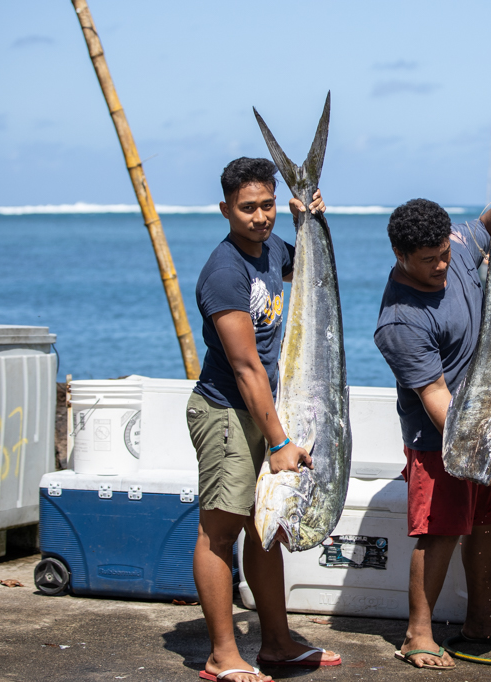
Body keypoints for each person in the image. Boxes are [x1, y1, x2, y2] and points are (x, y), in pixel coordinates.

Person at [374, 176, 491, 669]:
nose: (442, 265)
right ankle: (417, 635)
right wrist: (480, 447)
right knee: (442, 530)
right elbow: (436, 396)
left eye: (444, 252)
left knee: (488, 522)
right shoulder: (400, 321)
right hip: (440, 437)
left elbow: (488, 226)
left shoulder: (460, 246)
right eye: (429, 260)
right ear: (402, 256)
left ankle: (482, 620)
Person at [187, 157, 341, 682]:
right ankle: (222, 655)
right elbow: (246, 365)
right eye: (248, 208)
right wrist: (280, 441)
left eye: (268, 206)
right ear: (226, 209)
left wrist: (311, 219)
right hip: (228, 411)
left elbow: (309, 270)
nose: (260, 217)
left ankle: (276, 643)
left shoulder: (274, 248)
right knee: (221, 531)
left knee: (266, 530)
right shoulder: (224, 273)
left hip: (266, 409)